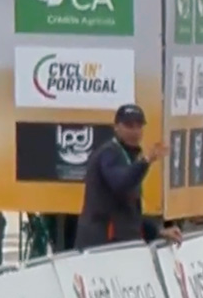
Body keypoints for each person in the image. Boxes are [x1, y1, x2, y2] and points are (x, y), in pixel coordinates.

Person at [76, 104, 181, 250]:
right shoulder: (109, 153)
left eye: (139, 126)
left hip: (122, 242)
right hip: (103, 243)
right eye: (129, 126)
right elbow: (121, 183)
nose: (135, 131)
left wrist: (158, 231)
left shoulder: (130, 156)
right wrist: (144, 161)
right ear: (116, 127)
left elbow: (130, 211)